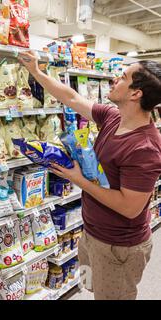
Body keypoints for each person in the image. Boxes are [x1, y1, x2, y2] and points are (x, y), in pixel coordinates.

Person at [18, 51, 161, 300]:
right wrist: (36, 72)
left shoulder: (145, 148)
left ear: (136, 94)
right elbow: (71, 97)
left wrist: (78, 180)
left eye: (124, 76)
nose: (116, 79)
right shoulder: (113, 117)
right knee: (92, 288)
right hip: (91, 233)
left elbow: (130, 208)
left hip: (118, 247)